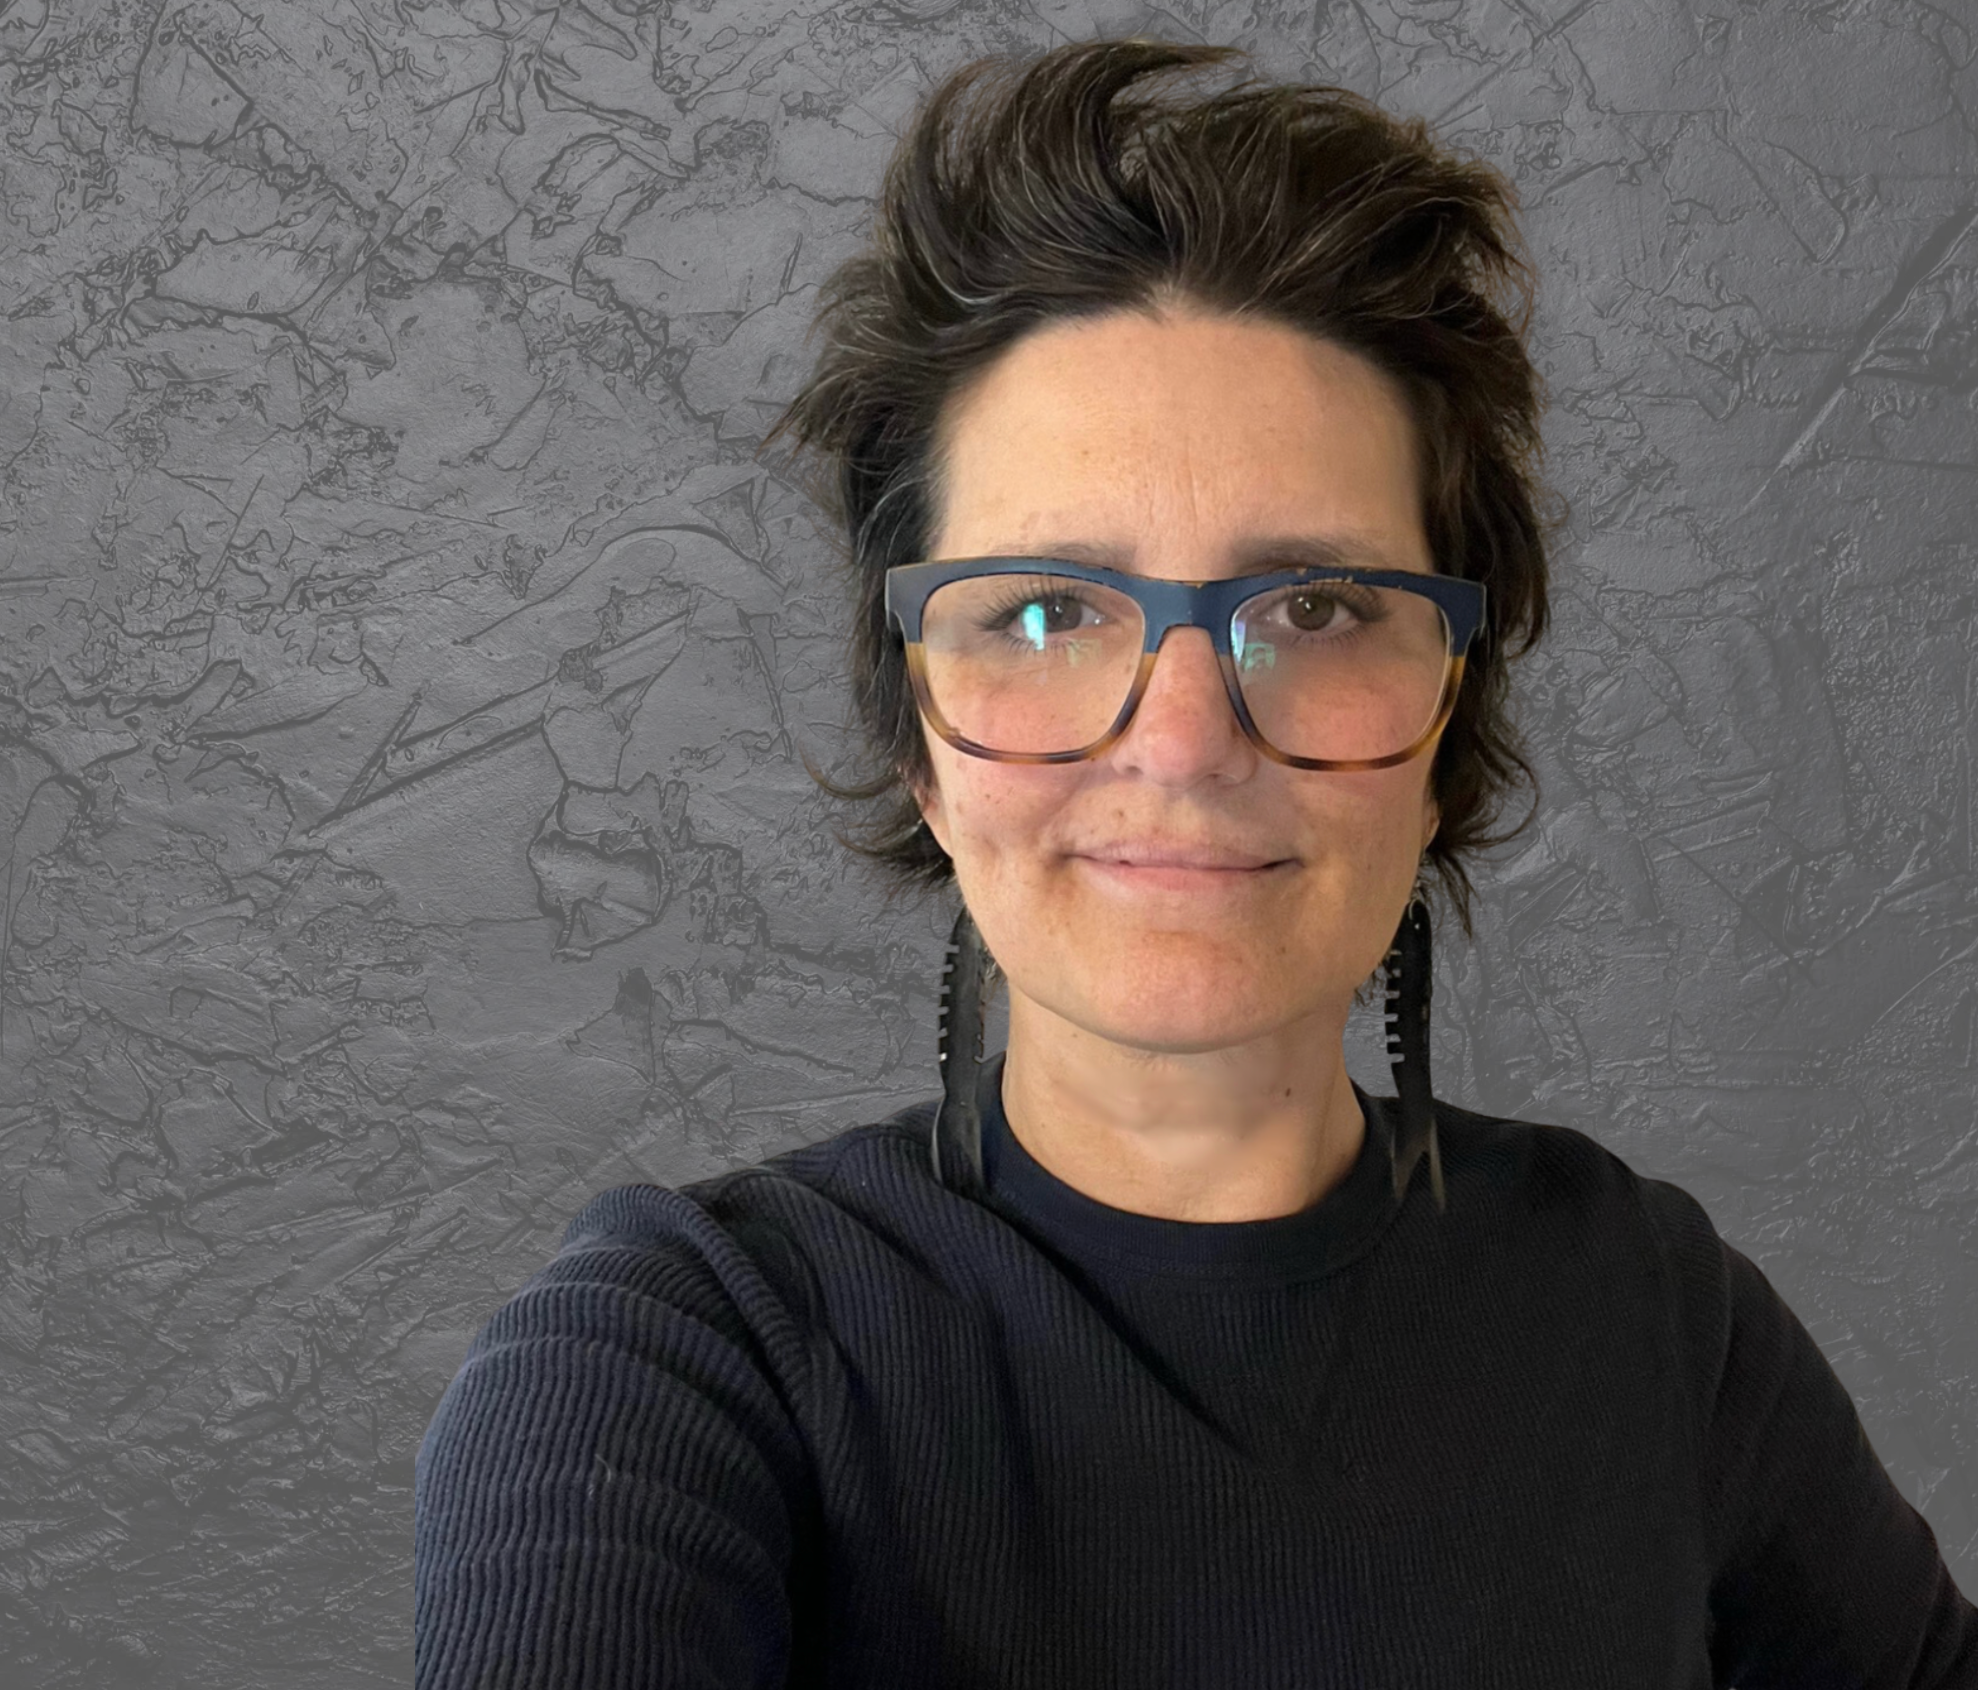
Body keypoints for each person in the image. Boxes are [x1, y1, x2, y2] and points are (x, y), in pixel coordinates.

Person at [413, 39, 1977, 1688]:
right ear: (919, 743)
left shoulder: (1648, 1315)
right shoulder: (681, 1355)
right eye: (1043, 611)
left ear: (1445, 724)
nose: (1179, 740)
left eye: (1313, 606)